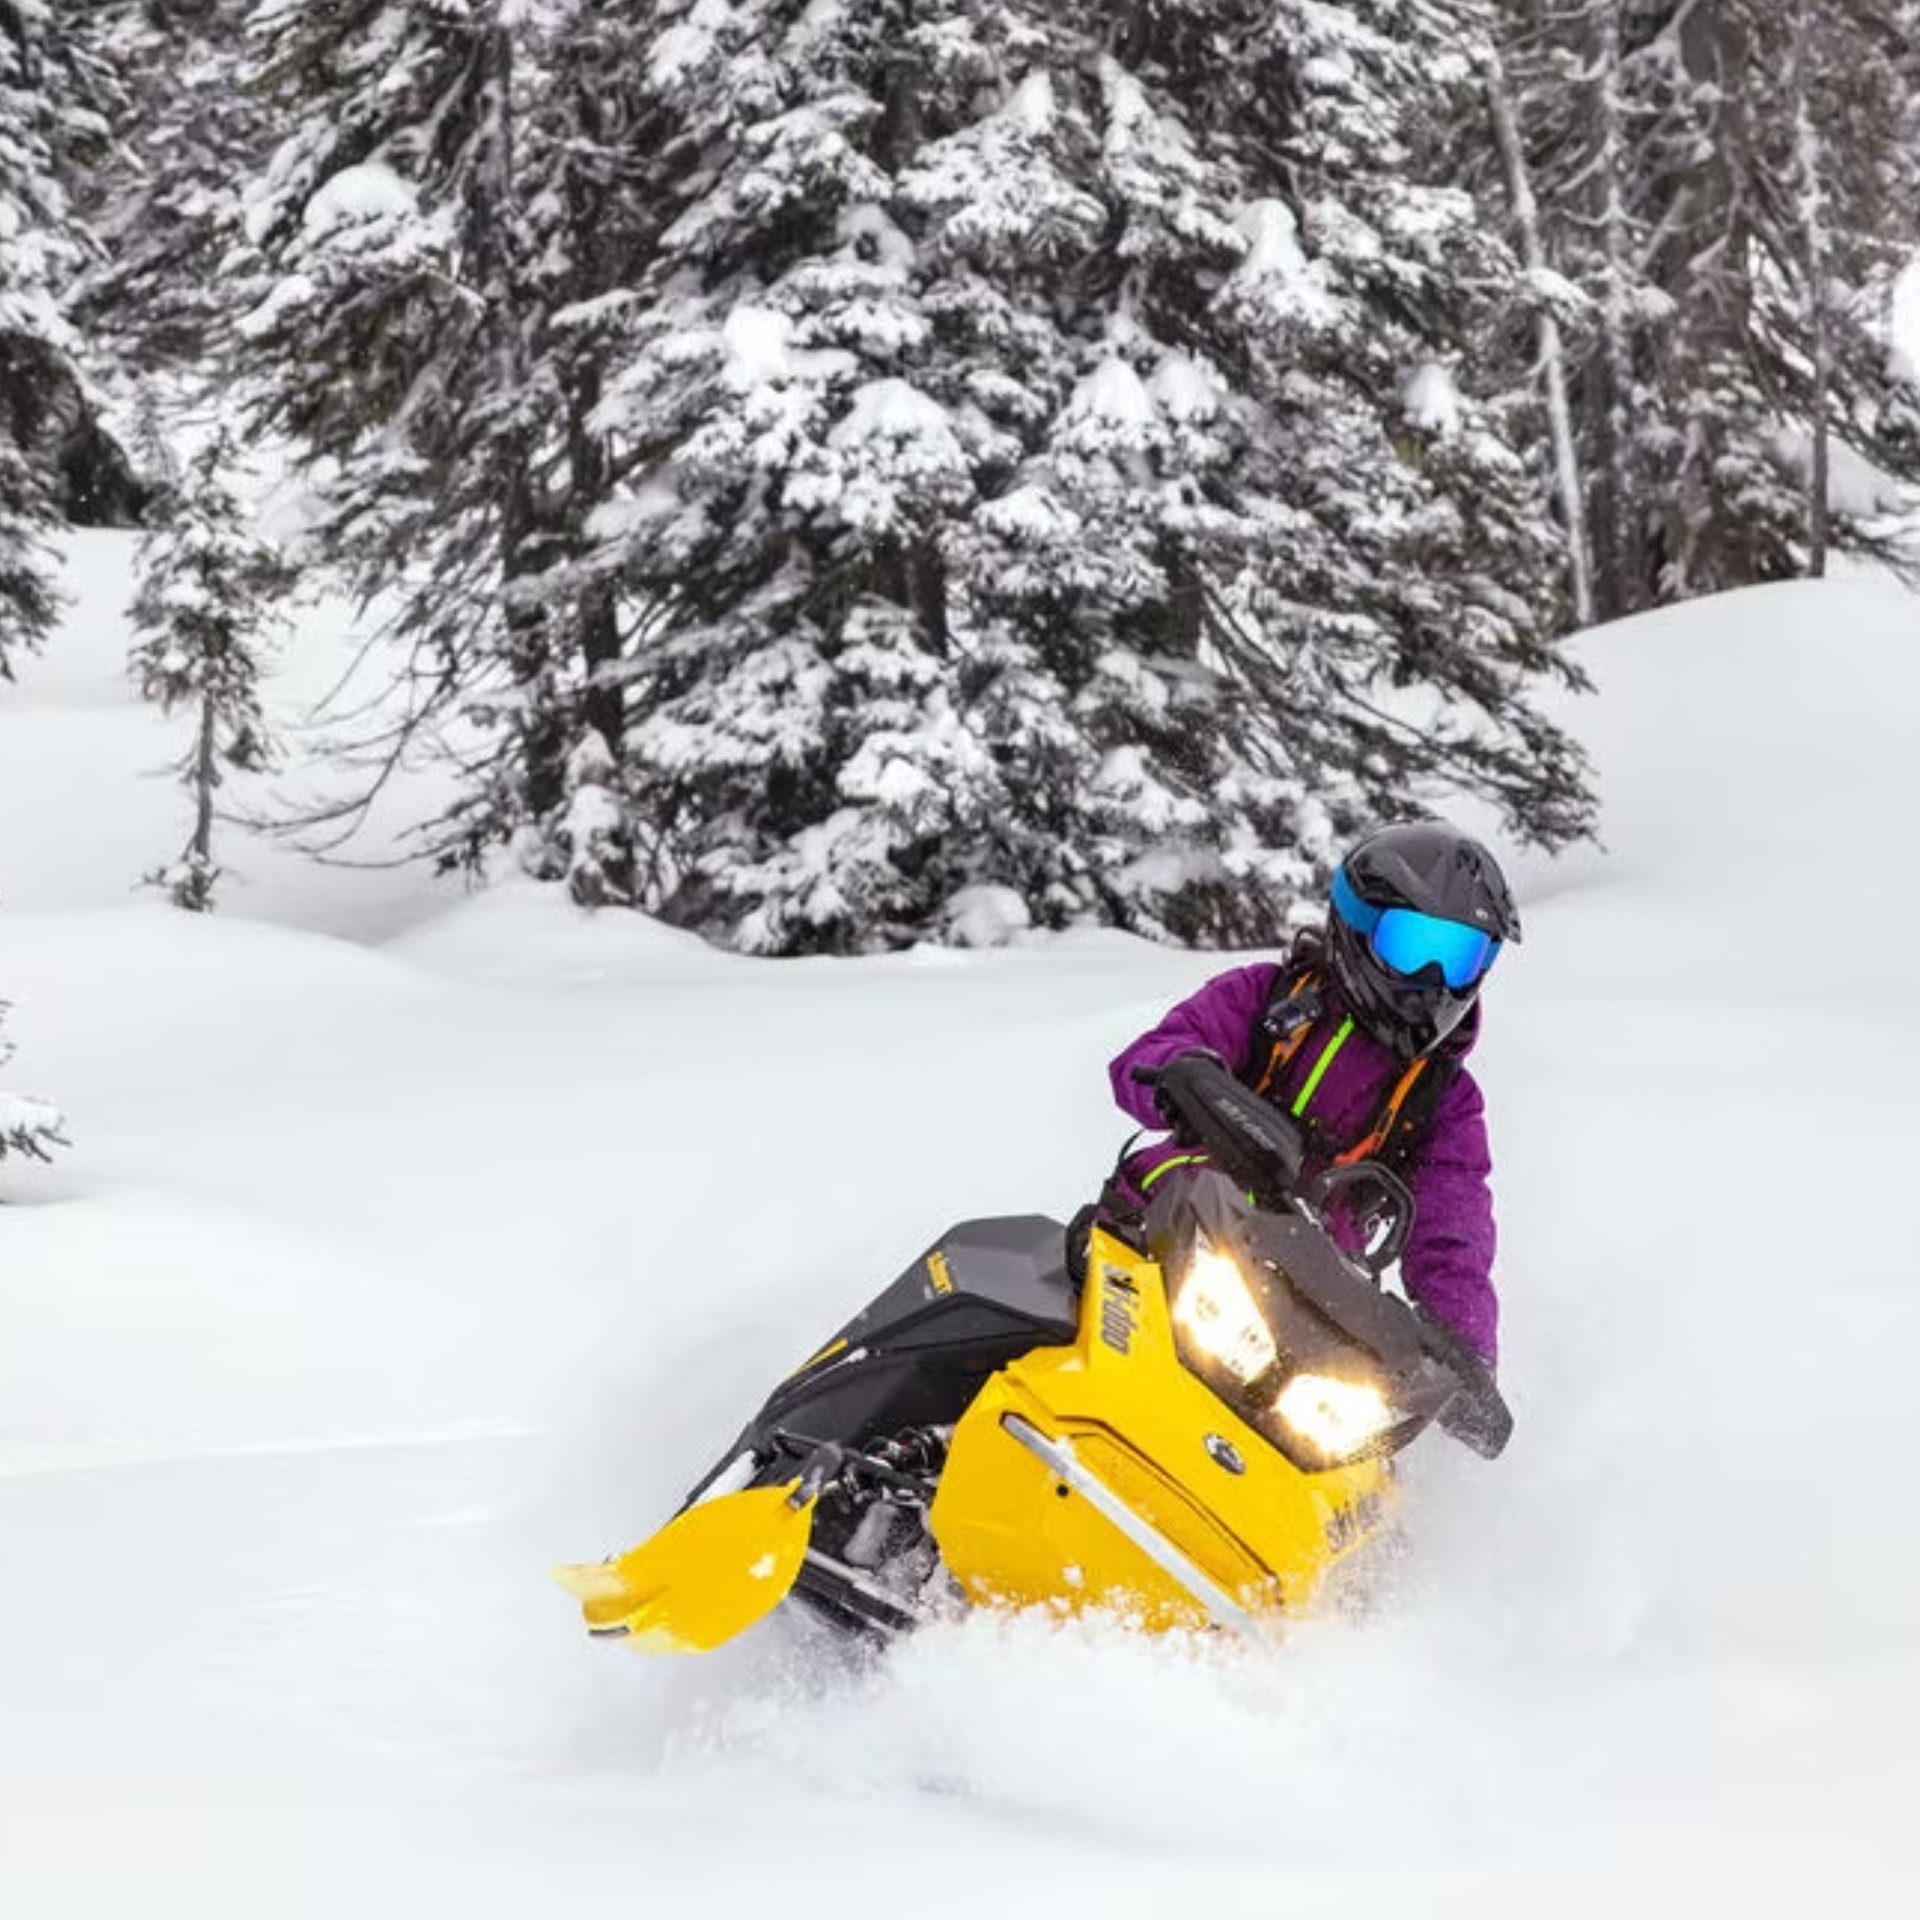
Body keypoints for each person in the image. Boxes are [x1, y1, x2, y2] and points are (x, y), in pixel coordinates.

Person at [1099, 819, 1519, 1368]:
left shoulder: (1446, 1101)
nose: (1434, 976)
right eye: (1415, 946)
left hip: (1296, 1303)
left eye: (1460, 957)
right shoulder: (1264, 996)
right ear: (1357, 927)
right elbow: (1147, 1058)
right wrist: (1184, 1075)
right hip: (1157, 1230)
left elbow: (1453, 1230)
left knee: (1346, 1433)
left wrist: (1466, 1348)